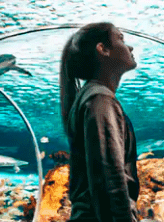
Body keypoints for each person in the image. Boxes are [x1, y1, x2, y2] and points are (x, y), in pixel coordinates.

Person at [59, 22, 140, 222]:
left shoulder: (90, 97)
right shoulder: (100, 101)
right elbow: (109, 179)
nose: (129, 47)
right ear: (102, 49)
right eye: (120, 39)